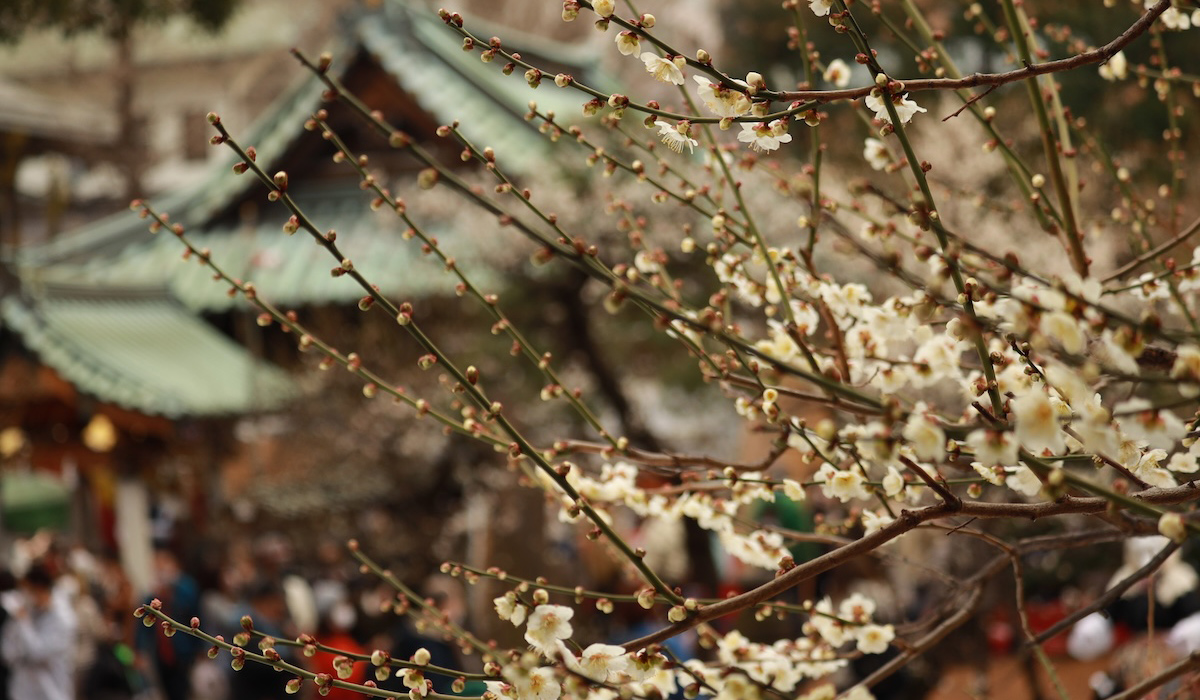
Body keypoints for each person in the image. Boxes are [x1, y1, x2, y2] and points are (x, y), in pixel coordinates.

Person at [1, 562, 74, 700]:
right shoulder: (29, 612)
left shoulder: (63, 619)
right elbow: (8, 651)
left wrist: (23, 622)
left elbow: (37, 652)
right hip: (23, 691)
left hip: (52, 692)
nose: (24, 595)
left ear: (39, 589)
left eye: (27, 590)